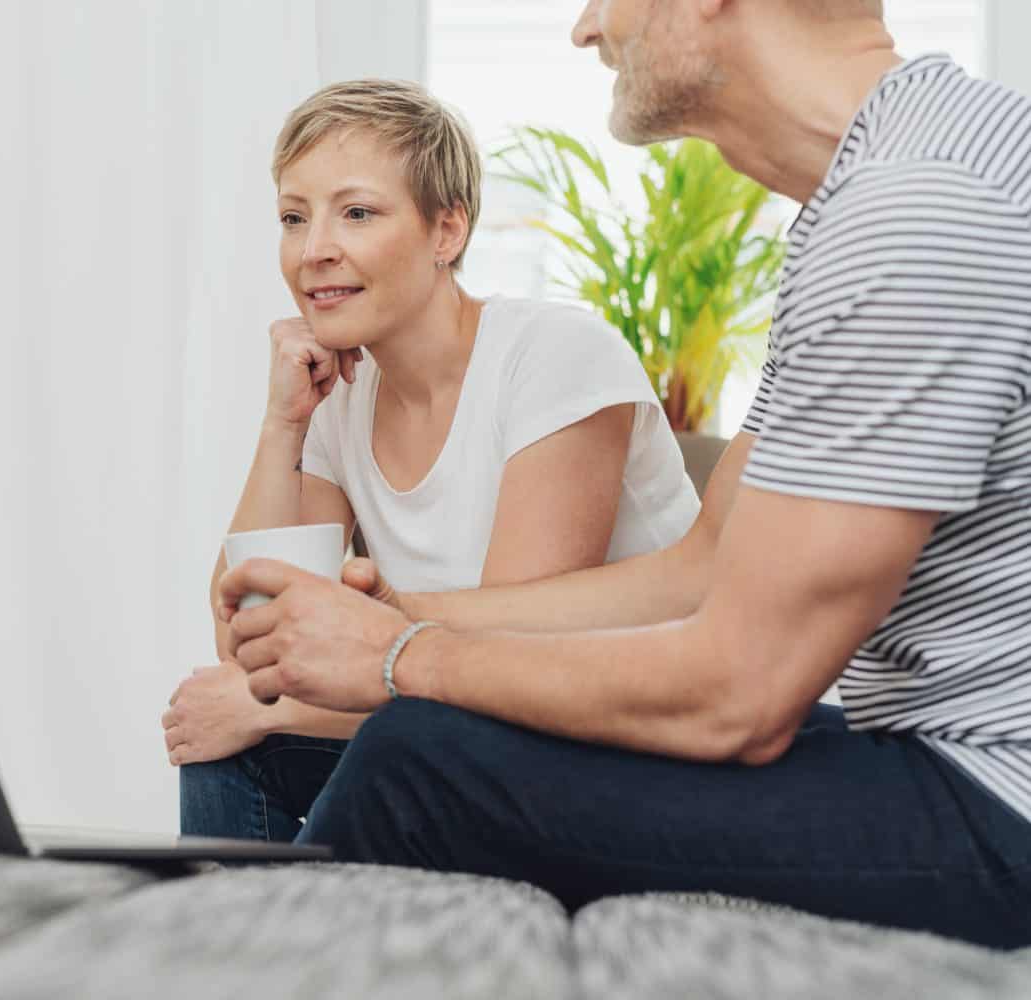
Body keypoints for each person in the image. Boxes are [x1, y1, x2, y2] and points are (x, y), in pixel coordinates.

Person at [216, 0, 1031, 949]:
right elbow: (700, 568)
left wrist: (398, 656)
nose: (587, 27)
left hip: (995, 796)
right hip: (937, 753)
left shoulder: (916, 210)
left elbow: (741, 694)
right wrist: (390, 621)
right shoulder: (877, 192)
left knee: (418, 761)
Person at [164, 79, 700, 842]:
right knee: (228, 750)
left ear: (447, 232)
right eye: (293, 217)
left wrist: (263, 706)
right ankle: (246, 956)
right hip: (458, 729)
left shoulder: (554, 356)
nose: (314, 249)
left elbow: (510, 668)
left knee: (294, 727)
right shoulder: (338, 396)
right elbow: (249, 641)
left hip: (617, 740)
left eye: (357, 212)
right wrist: (283, 422)